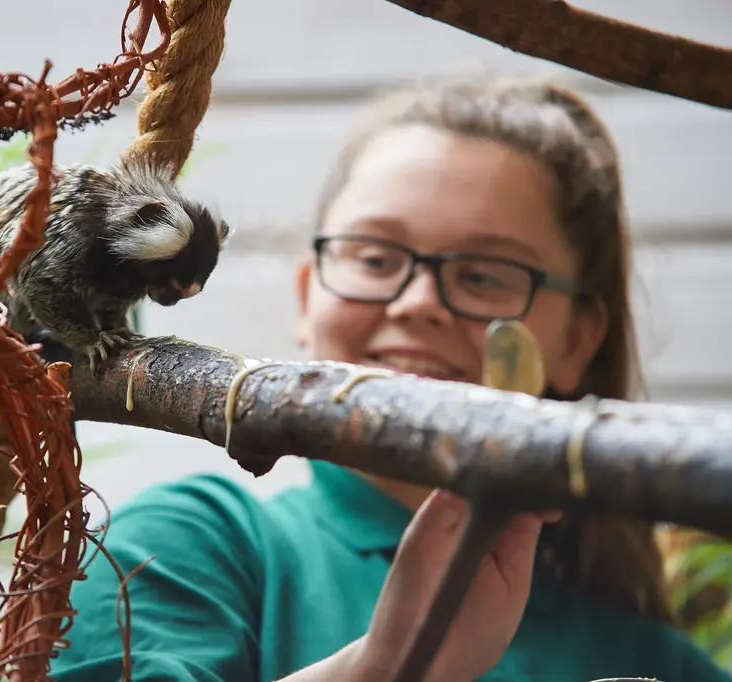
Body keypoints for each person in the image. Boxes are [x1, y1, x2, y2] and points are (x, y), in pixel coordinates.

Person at [49, 78, 732, 681]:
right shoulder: (184, 549)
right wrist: (383, 668)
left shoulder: (652, 662)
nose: (417, 303)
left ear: (578, 339)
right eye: (376, 258)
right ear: (308, 293)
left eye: (484, 275)